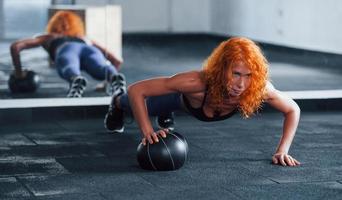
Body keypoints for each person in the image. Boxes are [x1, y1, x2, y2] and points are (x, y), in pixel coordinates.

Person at [104, 37, 301, 167]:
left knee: (158, 108)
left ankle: (165, 113)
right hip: (180, 100)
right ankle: (116, 101)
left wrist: (282, 150)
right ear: (222, 68)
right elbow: (137, 90)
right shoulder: (197, 82)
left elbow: (293, 109)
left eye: (249, 75)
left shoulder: (259, 88)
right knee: (135, 104)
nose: (241, 84)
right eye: (236, 74)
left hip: (190, 103)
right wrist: (147, 131)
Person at [10, 10, 123, 97]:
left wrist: (19, 72)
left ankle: (76, 79)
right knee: (100, 67)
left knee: (69, 66)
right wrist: (105, 83)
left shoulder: (49, 37)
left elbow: (16, 47)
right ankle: (114, 77)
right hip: (90, 50)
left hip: (66, 50)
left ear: (53, 25)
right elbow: (117, 60)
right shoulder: (84, 37)